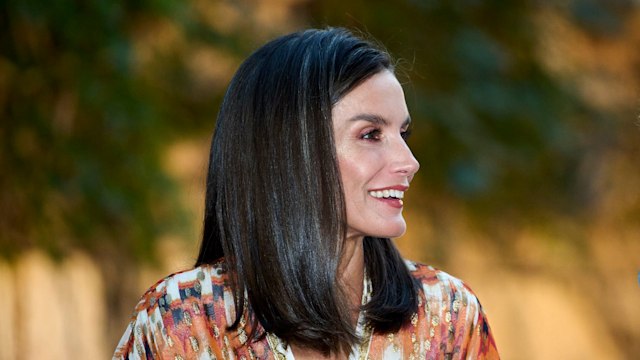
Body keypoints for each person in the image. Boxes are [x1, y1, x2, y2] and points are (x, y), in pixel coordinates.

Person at [113, 27, 499, 360]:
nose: (409, 161)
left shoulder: (446, 315)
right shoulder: (183, 319)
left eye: (403, 134)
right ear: (290, 150)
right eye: (370, 134)